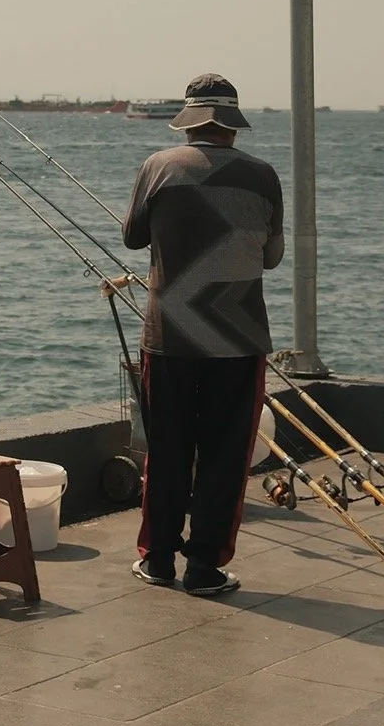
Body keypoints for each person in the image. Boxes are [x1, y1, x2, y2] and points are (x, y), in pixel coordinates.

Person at [114, 73, 283, 596]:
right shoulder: (263, 176)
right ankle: (205, 568)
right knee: (226, 456)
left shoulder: (158, 166)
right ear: (232, 125)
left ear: (190, 122)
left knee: (167, 451)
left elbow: (132, 237)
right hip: (239, 339)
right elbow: (272, 259)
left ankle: (158, 560)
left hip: (170, 335)